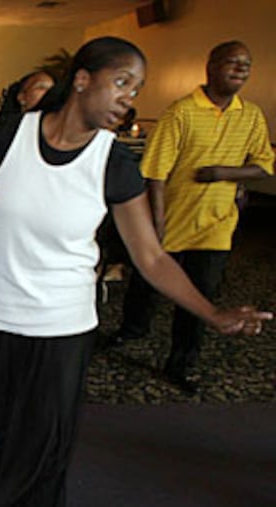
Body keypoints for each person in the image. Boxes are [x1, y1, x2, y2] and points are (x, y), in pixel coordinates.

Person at [0, 36, 272, 507]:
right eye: (121, 82)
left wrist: (212, 313)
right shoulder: (14, 133)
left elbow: (152, 257)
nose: (129, 98)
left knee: (41, 456)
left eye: (136, 89)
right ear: (82, 80)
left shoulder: (114, 162)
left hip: (63, 328)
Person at [109, 40, 274, 393]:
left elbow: (263, 165)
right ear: (210, 67)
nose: (241, 69)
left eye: (247, 64)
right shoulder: (181, 112)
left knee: (200, 293)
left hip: (216, 225)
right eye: (232, 62)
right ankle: (131, 330)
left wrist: (224, 173)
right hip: (173, 218)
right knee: (148, 282)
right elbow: (155, 173)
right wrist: (157, 222)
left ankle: (182, 362)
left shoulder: (251, 116)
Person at [0, 70, 56, 263]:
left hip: (38, 222)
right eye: (41, 87)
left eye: (52, 88)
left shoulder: (56, 133)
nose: (48, 92)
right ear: (21, 97)